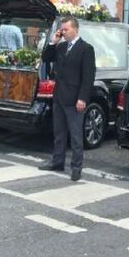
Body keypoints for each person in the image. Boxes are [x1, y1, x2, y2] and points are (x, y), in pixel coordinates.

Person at [38, 17, 96, 182]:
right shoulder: (61, 46)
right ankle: (58, 162)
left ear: (75, 29)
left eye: (66, 29)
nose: (63, 32)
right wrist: (52, 42)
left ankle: (76, 168)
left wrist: (83, 98)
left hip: (75, 99)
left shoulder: (86, 49)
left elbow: (88, 77)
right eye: (62, 29)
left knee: (76, 137)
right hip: (59, 97)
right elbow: (46, 58)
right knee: (59, 133)